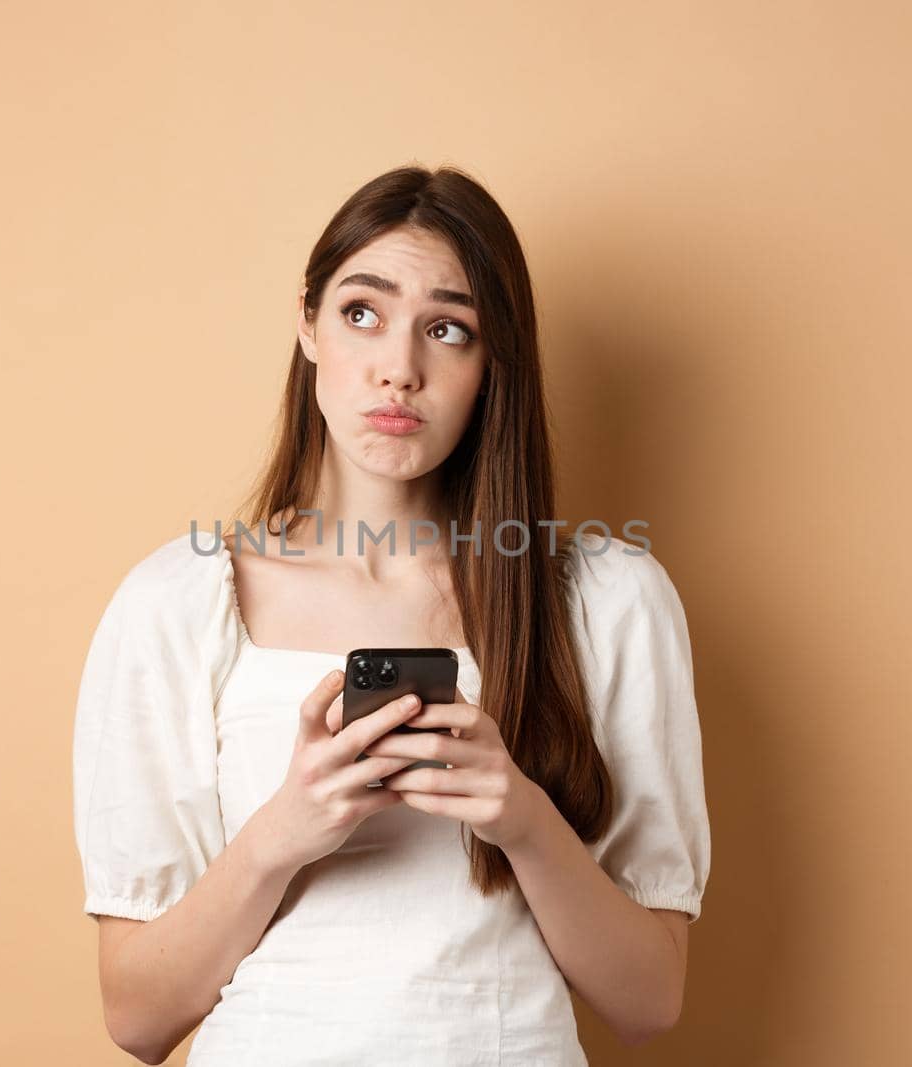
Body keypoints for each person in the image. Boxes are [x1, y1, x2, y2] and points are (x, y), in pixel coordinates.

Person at [71, 164, 710, 1065]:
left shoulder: (608, 599)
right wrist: (281, 834)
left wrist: (520, 817)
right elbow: (137, 1019)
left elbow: (649, 1000)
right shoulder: (175, 601)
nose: (399, 369)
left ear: (495, 364)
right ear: (307, 324)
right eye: (361, 312)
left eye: (447, 329)